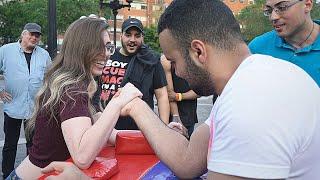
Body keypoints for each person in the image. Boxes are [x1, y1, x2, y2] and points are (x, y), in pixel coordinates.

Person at [41, 0, 320, 179]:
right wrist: (138, 107)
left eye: (173, 61)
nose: (175, 73)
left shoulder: (250, 108)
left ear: (198, 51)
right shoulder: (252, 79)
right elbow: (189, 161)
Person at [5, 18, 142, 179]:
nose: (105, 54)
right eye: (98, 47)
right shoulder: (72, 90)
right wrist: (118, 103)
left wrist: (156, 134)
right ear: (81, 48)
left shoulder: (82, 84)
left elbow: (112, 135)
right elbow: (82, 156)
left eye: (107, 47)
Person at [95, 18, 170, 130]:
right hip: (105, 126)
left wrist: (164, 129)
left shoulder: (151, 61)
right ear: (121, 36)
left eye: (137, 35)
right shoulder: (108, 56)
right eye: (128, 35)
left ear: (142, 37)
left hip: (139, 129)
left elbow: (162, 96)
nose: (132, 39)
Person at [0, 22, 51, 179]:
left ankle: (30, 173)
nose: (34, 37)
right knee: (10, 144)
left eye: (37, 35)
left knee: (34, 144)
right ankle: (7, 173)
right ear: (23, 34)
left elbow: (50, 77)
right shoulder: (5, 51)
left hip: (35, 108)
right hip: (13, 106)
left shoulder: (44, 54)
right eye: (31, 34)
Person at [248, 0, 320, 86]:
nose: (273, 17)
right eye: (269, 11)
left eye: (282, 8)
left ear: (307, 5)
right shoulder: (257, 49)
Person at [161, 55, 199, 137]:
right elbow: (169, 94)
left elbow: (199, 91)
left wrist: (178, 96)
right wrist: (176, 116)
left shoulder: (194, 60)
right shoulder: (167, 61)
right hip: (171, 118)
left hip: (188, 117)